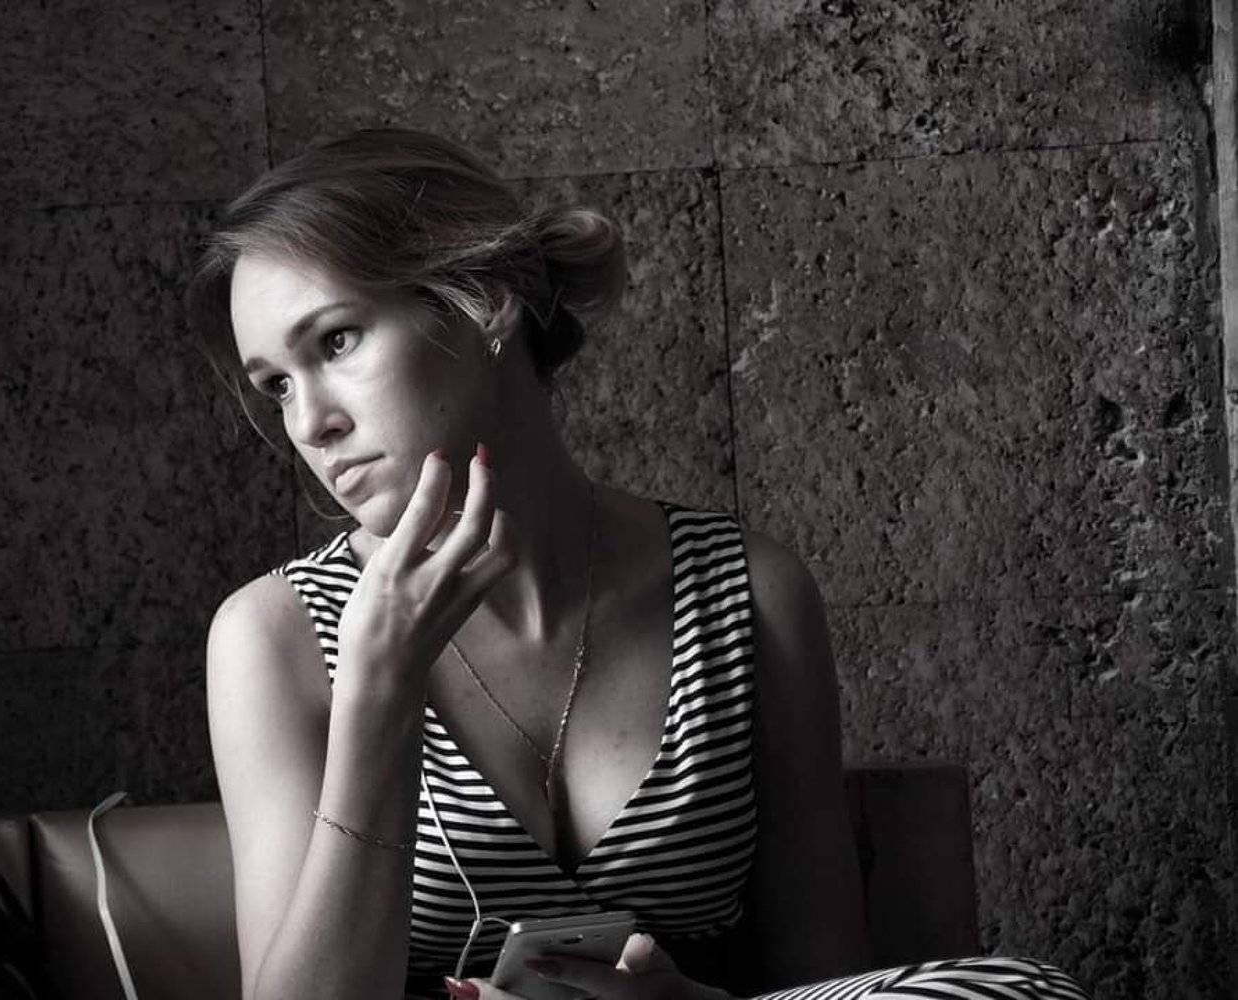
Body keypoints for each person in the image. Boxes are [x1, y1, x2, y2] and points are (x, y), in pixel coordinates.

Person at [190, 128, 1089, 1000]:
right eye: (277, 384)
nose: (309, 424)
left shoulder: (744, 593)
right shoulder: (274, 635)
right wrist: (378, 694)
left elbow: (824, 981)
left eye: (336, 341)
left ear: (485, 298)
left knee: (1020, 990)